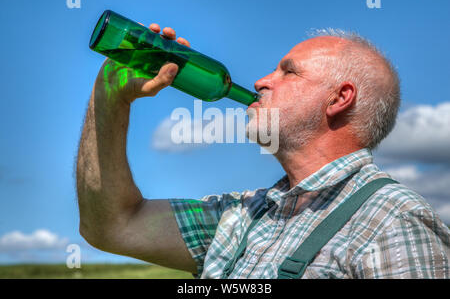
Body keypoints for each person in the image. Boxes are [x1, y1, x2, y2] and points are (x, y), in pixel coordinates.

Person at [76, 23, 450, 279]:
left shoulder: (394, 220)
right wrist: (110, 98)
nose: (260, 81)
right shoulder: (239, 216)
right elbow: (112, 226)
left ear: (339, 98)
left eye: (288, 72)